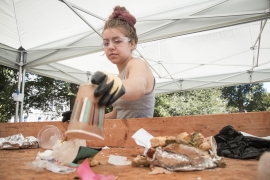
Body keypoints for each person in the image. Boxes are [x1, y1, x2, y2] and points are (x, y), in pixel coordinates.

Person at [62, 6, 155, 121]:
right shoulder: (120, 77)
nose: (110, 47)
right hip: (124, 136)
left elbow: (138, 86)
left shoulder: (136, 63)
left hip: (141, 137)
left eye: (117, 41)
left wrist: (115, 85)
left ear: (132, 43)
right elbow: (116, 114)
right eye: (106, 43)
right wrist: (85, 118)